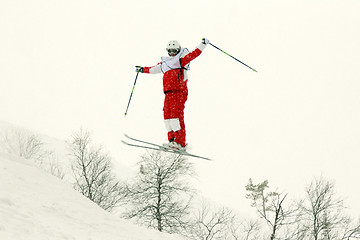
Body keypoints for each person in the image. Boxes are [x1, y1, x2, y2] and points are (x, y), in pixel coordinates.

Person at [136, 38, 210, 150]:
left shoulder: (180, 61)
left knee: (176, 116)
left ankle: (180, 142)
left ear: (178, 50)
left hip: (179, 91)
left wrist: (202, 44)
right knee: (167, 117)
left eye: (174, 51)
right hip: (168, 93)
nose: (172, 53)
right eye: (170, 51)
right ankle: (172, 141)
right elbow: (153, 69)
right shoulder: (165, 63)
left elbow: (193, 54)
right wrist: (142, 69)